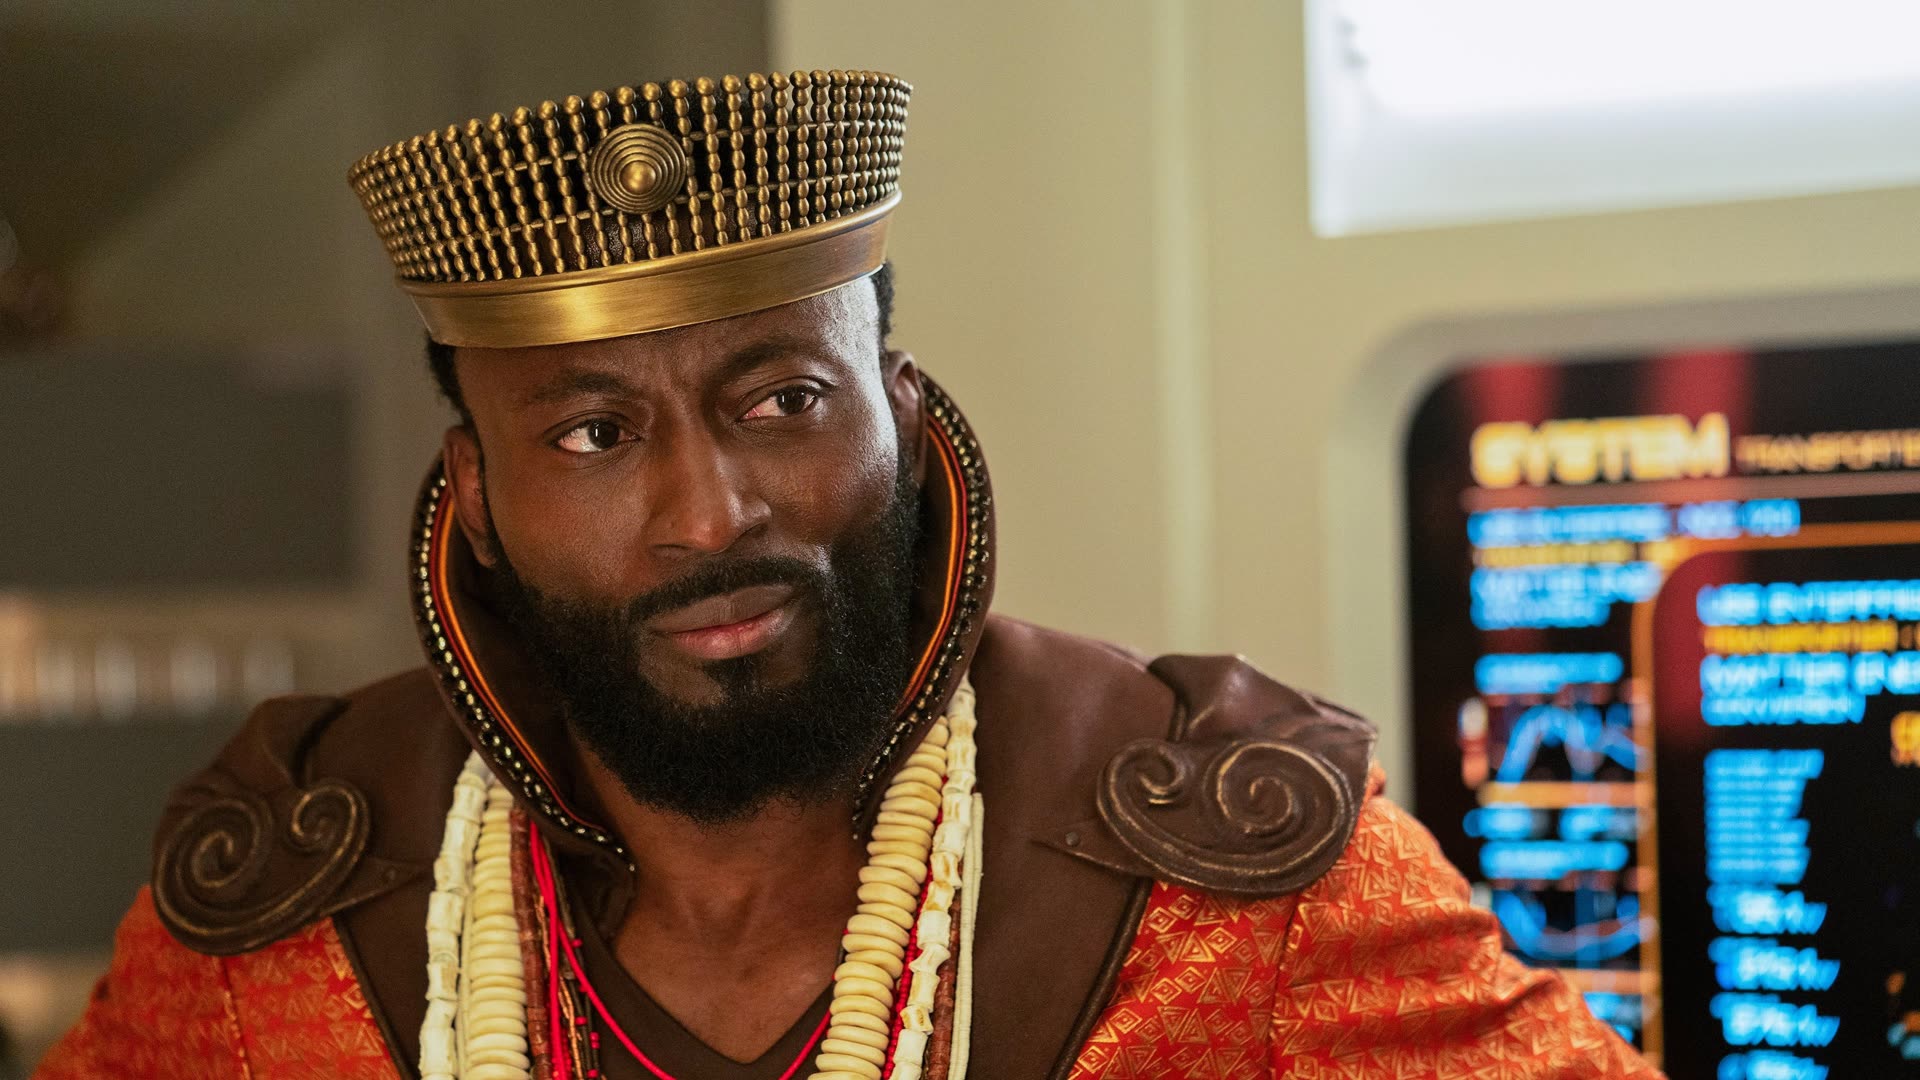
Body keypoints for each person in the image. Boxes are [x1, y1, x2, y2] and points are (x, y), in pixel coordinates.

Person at [36, 70, 1661, 1079]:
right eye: (594, 435)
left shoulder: (1229, 855)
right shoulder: (300, 895)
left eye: (782, 402)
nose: (709, 513)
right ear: (474, 495)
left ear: (902, 412)